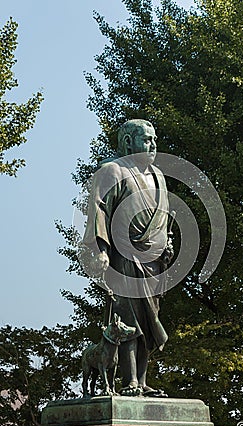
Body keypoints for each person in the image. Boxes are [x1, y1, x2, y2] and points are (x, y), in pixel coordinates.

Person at [82, 119, 173, 396]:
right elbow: (99, 210)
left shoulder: (158, 175)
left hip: (153, 261)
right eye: (146, 139)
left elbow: (164, 216)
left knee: (149, 321)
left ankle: (142, 381)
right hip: (124, 258)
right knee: (128, 319)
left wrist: (166, 241)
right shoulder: (112, 171)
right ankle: (129, 381)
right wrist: (100, 250)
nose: (153, 144)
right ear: (128, 142)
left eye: (154, 138)